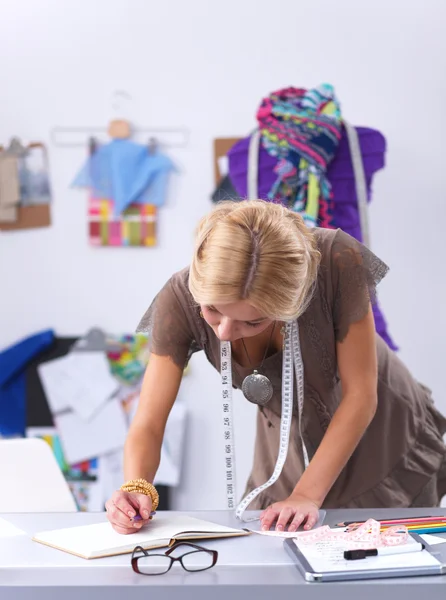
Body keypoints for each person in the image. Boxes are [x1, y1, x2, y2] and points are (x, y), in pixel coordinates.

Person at [105, 200, 446, 535]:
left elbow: (360, 396)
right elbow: (149, 420)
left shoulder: (338, 260)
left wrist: (306, 494)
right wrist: (137, 487)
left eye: (252, 321)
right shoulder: (178, 301)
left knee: (387, 570)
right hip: (288, 440)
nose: (223, 332)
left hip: (380, 430)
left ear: (293, 304)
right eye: (212, 310)